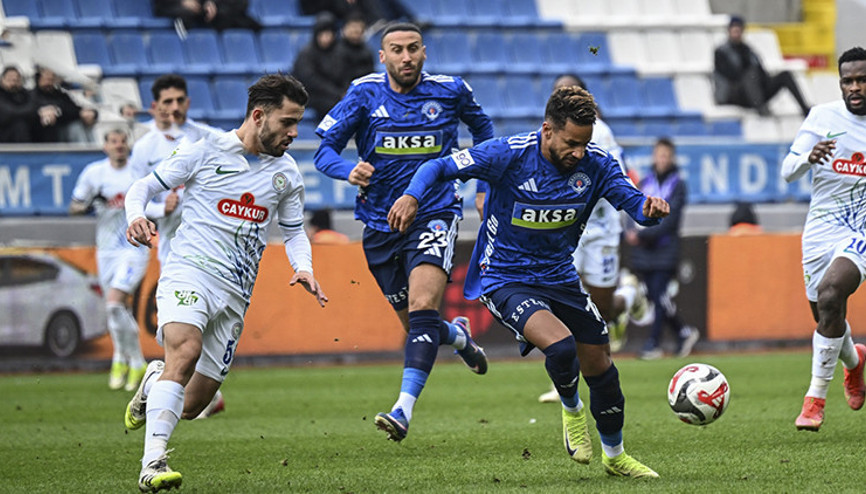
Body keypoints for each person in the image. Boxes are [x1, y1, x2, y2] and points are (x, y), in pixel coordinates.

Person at [388, 85, 666, 478]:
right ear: (547, 130)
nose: (578, 152)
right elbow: (437, 167)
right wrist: (412, 197)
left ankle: (615, 456)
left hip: (558, 275)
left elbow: (634, 204)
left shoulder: (596, 164)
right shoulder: (509, 154)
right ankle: (572, 412)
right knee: (562, 346)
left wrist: (650, 210)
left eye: (584, 144)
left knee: (601, 364)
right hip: (505, 276)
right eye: (571, 143)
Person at [123, 74, 328, 492]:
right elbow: (142, 186)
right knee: (186, 350)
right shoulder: (204, 150)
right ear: (258, 115)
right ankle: (152, 465)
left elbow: (293, 232)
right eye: (288, 122)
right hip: (190, 270)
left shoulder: (287, 174)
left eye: (297, 123)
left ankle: (153, 380)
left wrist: (303, 266)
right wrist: (136, 217)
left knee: (194, 402)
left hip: (236, 294)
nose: (294, 132)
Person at [314, 22, 494, 442]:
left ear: (425, 52)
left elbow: (485, 134)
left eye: (413, 48)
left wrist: (483, 185)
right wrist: (347, 170)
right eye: (396, 50)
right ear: (383, 56)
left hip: (435, 212)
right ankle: (458, 336)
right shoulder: (363, 93)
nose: (406, 57)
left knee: (422, 302)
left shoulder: (451, 90)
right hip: (377, 223)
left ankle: (403, 409)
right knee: (418, 322)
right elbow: (324, 149)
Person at [782, 46, 866, 432]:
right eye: (848, 80)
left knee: (833, 294)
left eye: (862, 79)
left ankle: (814, 401)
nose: (855, 87)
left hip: (860, 231)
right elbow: (788, 171)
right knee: (825, 317)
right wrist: (808, 157)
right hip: (820, 229)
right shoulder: (822, 117)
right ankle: (855, 363)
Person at [69, 129, 150, 391]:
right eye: (113, 142)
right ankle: (120, 358)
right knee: (113, 309)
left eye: (123, 141)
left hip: (134, 247)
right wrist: (92, 201)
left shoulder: (138, 172)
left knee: (116, 303)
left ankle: (136, 361)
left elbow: (155, 203)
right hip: (106, 250)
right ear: (105, 146)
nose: (119, 146)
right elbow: (74, 206)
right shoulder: (94, 173)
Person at [128, 74, 220, 269]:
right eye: (168, 101)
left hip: (211, 236)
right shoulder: (144, 147)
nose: (175, 107)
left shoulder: (209, 137)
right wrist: (163, 209)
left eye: (179, 100)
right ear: (156, 107)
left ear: (188, 102)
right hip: (172, 240)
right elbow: (137, 195)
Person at [625, 138, 699, 360]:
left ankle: (653, 344)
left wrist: (642, 234)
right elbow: (631, 208)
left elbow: (671, 219)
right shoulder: (646, 182)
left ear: (672, 158)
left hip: (665, 249)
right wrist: (630, 231)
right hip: (644, 251)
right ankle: (683, 333)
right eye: (659, 154)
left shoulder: (678, 184)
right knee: (656, 297)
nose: (662, 159)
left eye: (666, 155)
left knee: (659, 296)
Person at [713, 15, 810, 117]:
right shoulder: (721, 52)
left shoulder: (748, 50)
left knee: (785, 76)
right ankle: (760, 107)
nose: (736, 34)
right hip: (733, 95)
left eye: (738, 30)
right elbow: (733, 75)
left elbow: (762, 72)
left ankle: (804, 109)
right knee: (749, 75)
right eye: (734, 30)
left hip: (754, 93)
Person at [292, 12, 346, 120]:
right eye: (323, 34)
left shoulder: (339, 53)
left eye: (329, 34)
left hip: (332, 94)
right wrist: (336, 93)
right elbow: (310, 80)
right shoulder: (306, 54)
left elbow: (344, 74)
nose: (326, 38)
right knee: (332, 105)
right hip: (308, 96)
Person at [29, 66, 98, 143]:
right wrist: (42, 112)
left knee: (77, 125)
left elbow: (73, 110)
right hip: (38, 131)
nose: (49, 81)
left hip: (61, 129)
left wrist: (56, 111)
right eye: (47, 78)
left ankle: (88, 151)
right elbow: (28, 111)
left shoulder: (61, 95)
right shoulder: (30, 95)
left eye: (52, 78)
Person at [152, 0, 261, 31]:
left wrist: (211, 2)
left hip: (201, 7)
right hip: (173, 6)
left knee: (237, 4)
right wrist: (182, 2)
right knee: (184, 15)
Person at [337, 12, 376, 88]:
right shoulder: (336, 50)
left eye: (359, 28)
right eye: (353, 27)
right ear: (345, 29)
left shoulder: (367, 51)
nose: (356, 31)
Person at [0, 65, 36, 142]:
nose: (14, 82)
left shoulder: (26, 94)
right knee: (19, 125)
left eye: (16, 79)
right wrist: (26, 112)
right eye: (10, 79)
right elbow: (7, 113)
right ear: (2, 80)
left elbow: (34, 107)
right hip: (4, 135)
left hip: (26, 133)